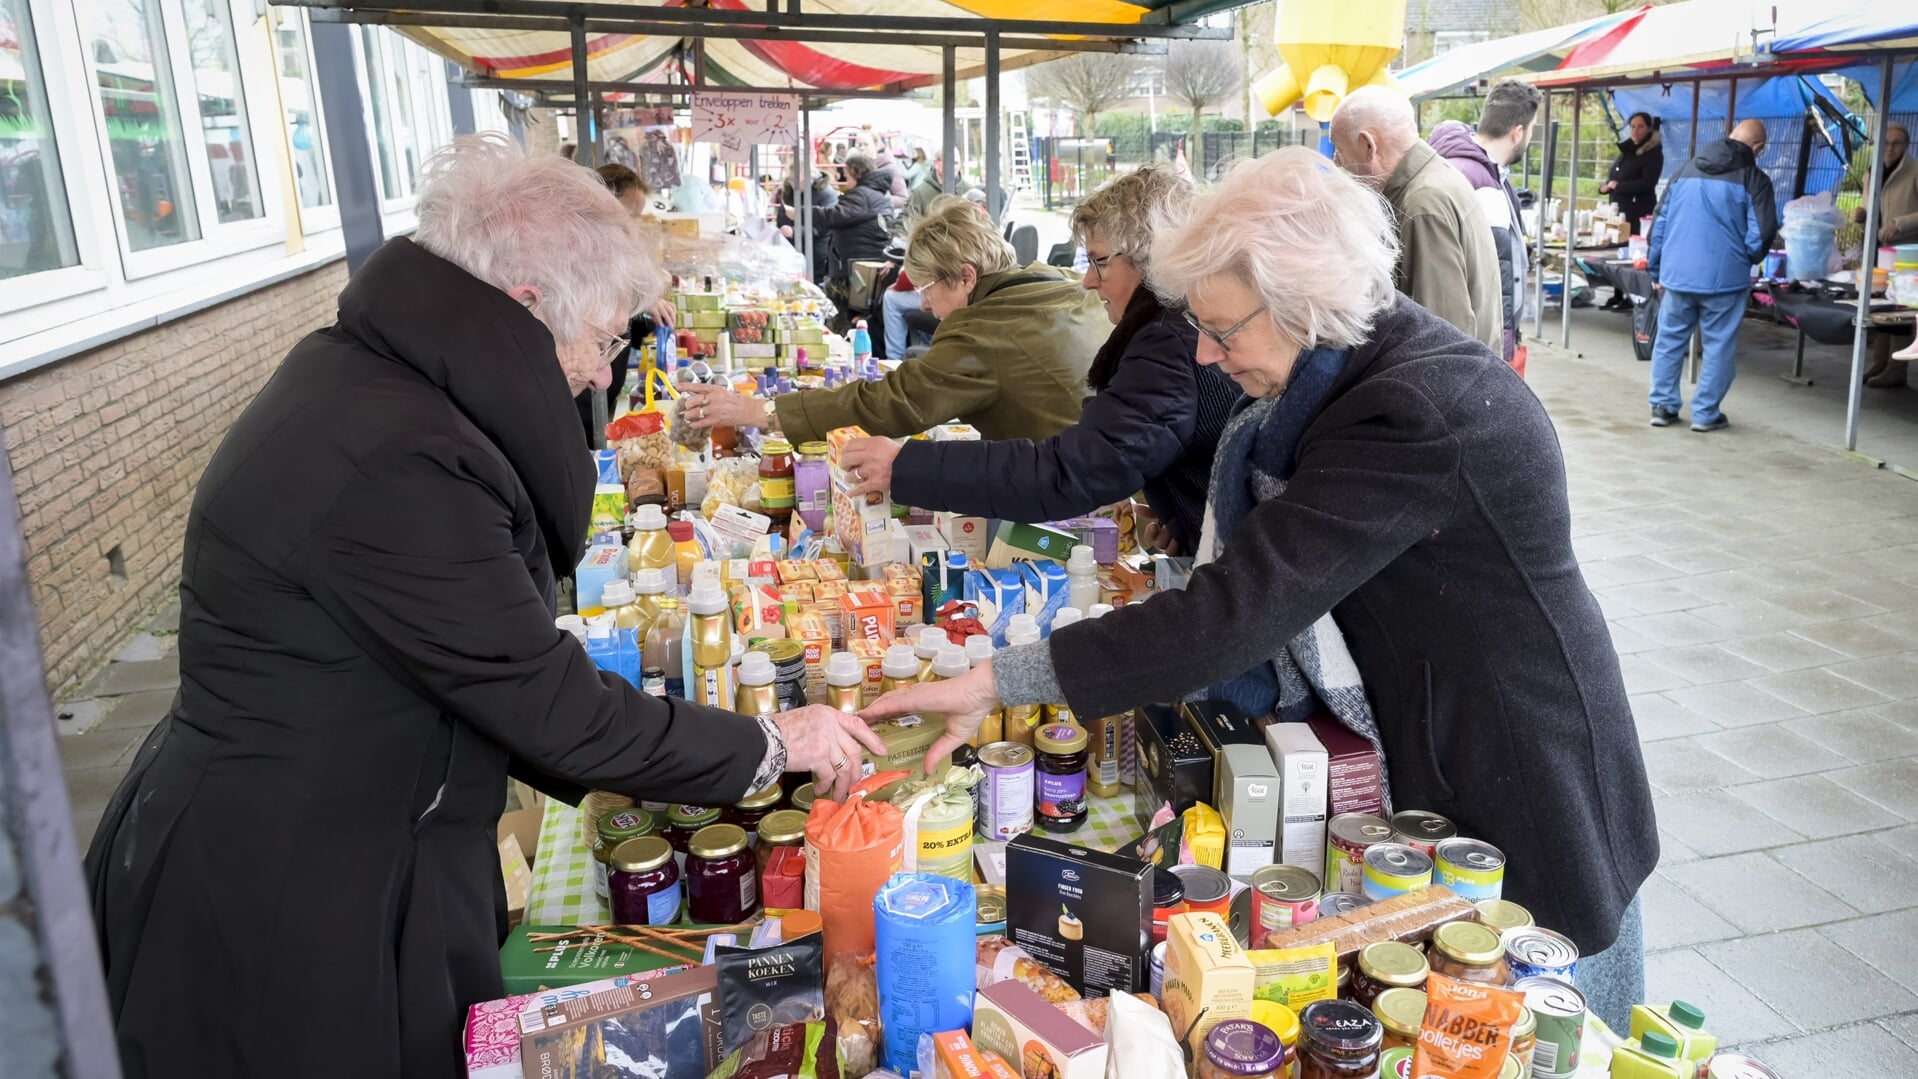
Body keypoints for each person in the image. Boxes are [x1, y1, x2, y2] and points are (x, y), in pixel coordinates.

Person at [83, 134, 885, 1079]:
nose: (599, 372)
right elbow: (542, 701)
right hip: (290, 890)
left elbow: (492, 672)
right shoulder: (398, 456)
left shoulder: (382, 381)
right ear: (525, 305)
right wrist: (772, 744)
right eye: (601, 339)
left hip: (334, 838)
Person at [860, 147, 1656, 1033]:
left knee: (1543, 1018)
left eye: (1224, 330)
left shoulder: (1412, 410)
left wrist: (991, 681)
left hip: (1516, 762)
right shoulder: (1354, 375)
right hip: (1445, 727)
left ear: (1304, 302)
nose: (1204, 353)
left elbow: (1230, 613)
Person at [835, 164, 1238, 556]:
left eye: (1099, 261)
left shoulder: (1166, 341)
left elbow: (1066, 473)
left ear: (1150, 258)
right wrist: (1186, 510)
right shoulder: (1180, 322)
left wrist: (904, 466)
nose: (1088, 279)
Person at [678, 195, 1108, 445]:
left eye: (925, 289)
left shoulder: (986, 329)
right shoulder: (1058, 282)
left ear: (966, 277)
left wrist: (759, 409)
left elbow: (894, 402)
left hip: (1076, 494)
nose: (923, 305)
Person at [1329, 86, 1504, 355]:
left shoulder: (1421, 205)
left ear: (1369, 145)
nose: (1337, 161)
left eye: (1339, 149)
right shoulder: (1434, 180)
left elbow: (1437, 337)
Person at [1646, 118, 1777, 432]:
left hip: (1678, 275)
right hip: (1725, 279)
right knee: (1719, 346)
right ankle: (1705, 414)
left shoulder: (1684, 172)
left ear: (1730, 135)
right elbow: (1761, 234)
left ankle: (1663, 407)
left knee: (1668, 342)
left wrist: (1655, 267)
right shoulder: (1754, 179)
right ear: (1758, 147)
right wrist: (1743, 258)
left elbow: (1659, 225)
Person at [1429, 79, 1541, 367]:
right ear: (1518, 133)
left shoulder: (1488, 175)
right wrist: (1499, 352)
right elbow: (1491, 276)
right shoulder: (1477, 182)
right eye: (1531, 130)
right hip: (1483, 348)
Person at [575, 163, 676, 442]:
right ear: (601, 200)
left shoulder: (611, 249)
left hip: (603, 389)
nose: (631, 226)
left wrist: (645, 315)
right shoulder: (578, 248)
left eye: (636, 217)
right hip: (581, 400)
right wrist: (640, 301)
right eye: (628, 214)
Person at [1861, 124, 1914, 387]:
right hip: (1877, 249)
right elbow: (1867, 205)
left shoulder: (1914, 171)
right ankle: (1880, 361)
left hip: (1905, 253)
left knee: (1899, 308)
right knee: (1879, 304)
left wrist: (1900, 223)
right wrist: (1861, 215)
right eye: (1886, 143)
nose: (1890, 148)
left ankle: (1897, 368)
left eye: (1897, 143)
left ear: (1906, 146)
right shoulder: (1872, 172)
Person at [1599, 112, 1666, 311]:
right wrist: (1606, 186)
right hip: (1619, 208)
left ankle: (1632, 296)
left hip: (1637, 210)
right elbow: (1616, 174)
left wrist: (1618, 186)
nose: (1635, 131)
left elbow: (1647, 182)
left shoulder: (1653, 153)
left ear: (1649, 129)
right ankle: (1617, 294)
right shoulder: (1628, 149)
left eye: (1640, 127)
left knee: (1632, 254)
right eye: (1633, 126)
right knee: (1618, 252)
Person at [805, 151, 894, 287]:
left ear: (855, 171)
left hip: (858, 265)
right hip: (867, 261)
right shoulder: (875, 193)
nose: (843, 176)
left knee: (851, 304)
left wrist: (802, 212)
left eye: (846, 172)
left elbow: (835, 216)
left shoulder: (861, 195)